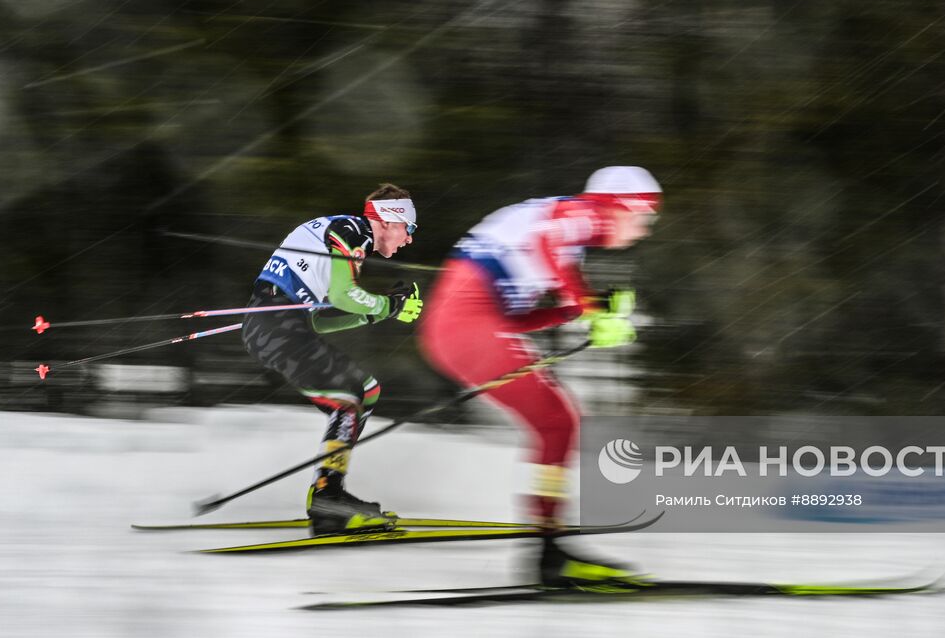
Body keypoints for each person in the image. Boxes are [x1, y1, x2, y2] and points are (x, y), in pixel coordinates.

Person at [417, 166, 660, 587]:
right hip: (463, 327)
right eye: (643, 217)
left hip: (461, 328)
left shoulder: (568, 234)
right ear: (617, 207)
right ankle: (548, 552)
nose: (644, 230)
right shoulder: (579, 214)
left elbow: (512, 317)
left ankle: (548, 548)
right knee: (557, 422)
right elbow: (549, 241)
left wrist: (575, 311)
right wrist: (587, 307)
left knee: (557, 423)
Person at [241, 184, 424, 536]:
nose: (409, 238)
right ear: (389, 219)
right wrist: (390, 306)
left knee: (365, 391)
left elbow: (320, 320)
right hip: (276, 324)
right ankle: (327, 500)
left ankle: (328, 492)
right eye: (409, 228)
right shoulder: (352, 230)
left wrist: (380, 311)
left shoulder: (348, 236)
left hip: (276, 325)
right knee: (351, 395)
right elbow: (343, 295)